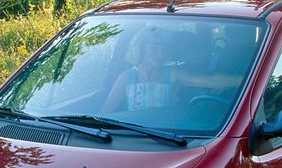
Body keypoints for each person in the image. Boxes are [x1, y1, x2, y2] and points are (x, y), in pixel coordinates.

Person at [103, 26, 240, 112]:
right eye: (153, 49)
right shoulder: (126, 78)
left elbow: (210, 81)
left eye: (163, 49)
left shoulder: (172, 74)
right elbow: (104, 114)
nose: (160, 54)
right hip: (132, 136)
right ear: (140, 50)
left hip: (168, 137)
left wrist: (246, 80)